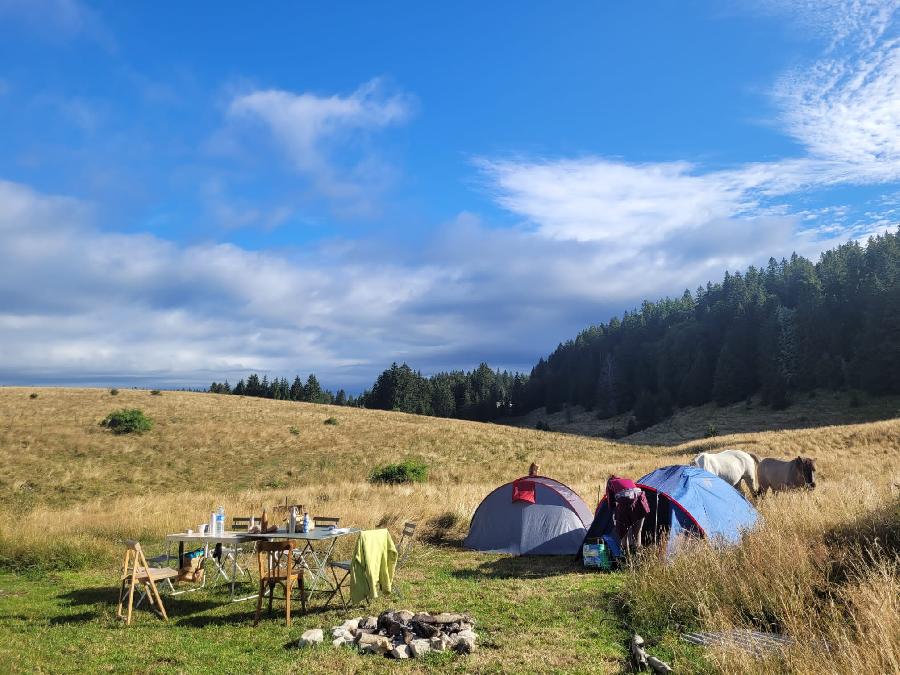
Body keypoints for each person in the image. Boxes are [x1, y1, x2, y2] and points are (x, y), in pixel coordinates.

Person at [606, 474, 650, 555]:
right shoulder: (628, 480)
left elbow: (611, 503)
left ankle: (626, 557)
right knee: (638, 532)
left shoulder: (610, 483)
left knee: (623, 533)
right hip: (641, 503)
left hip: (625, 505)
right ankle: (638, 557)